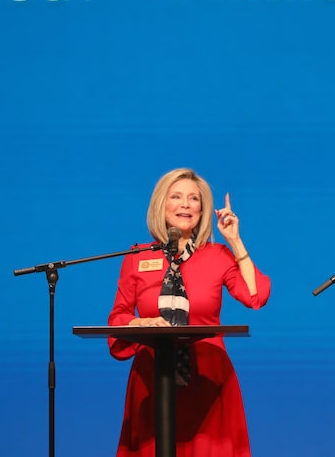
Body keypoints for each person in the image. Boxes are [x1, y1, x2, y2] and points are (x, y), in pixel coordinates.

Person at [108, 168, 271, 457]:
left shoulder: (218, 255)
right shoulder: (138, 257)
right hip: (152, 378)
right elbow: (118, 317)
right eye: (177, 196)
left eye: (193, 199)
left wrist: (235, 241)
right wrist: (142, 323)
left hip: (208, 381)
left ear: (202, 210)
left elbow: (256, 295)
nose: (185, 204)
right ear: (162, 204)